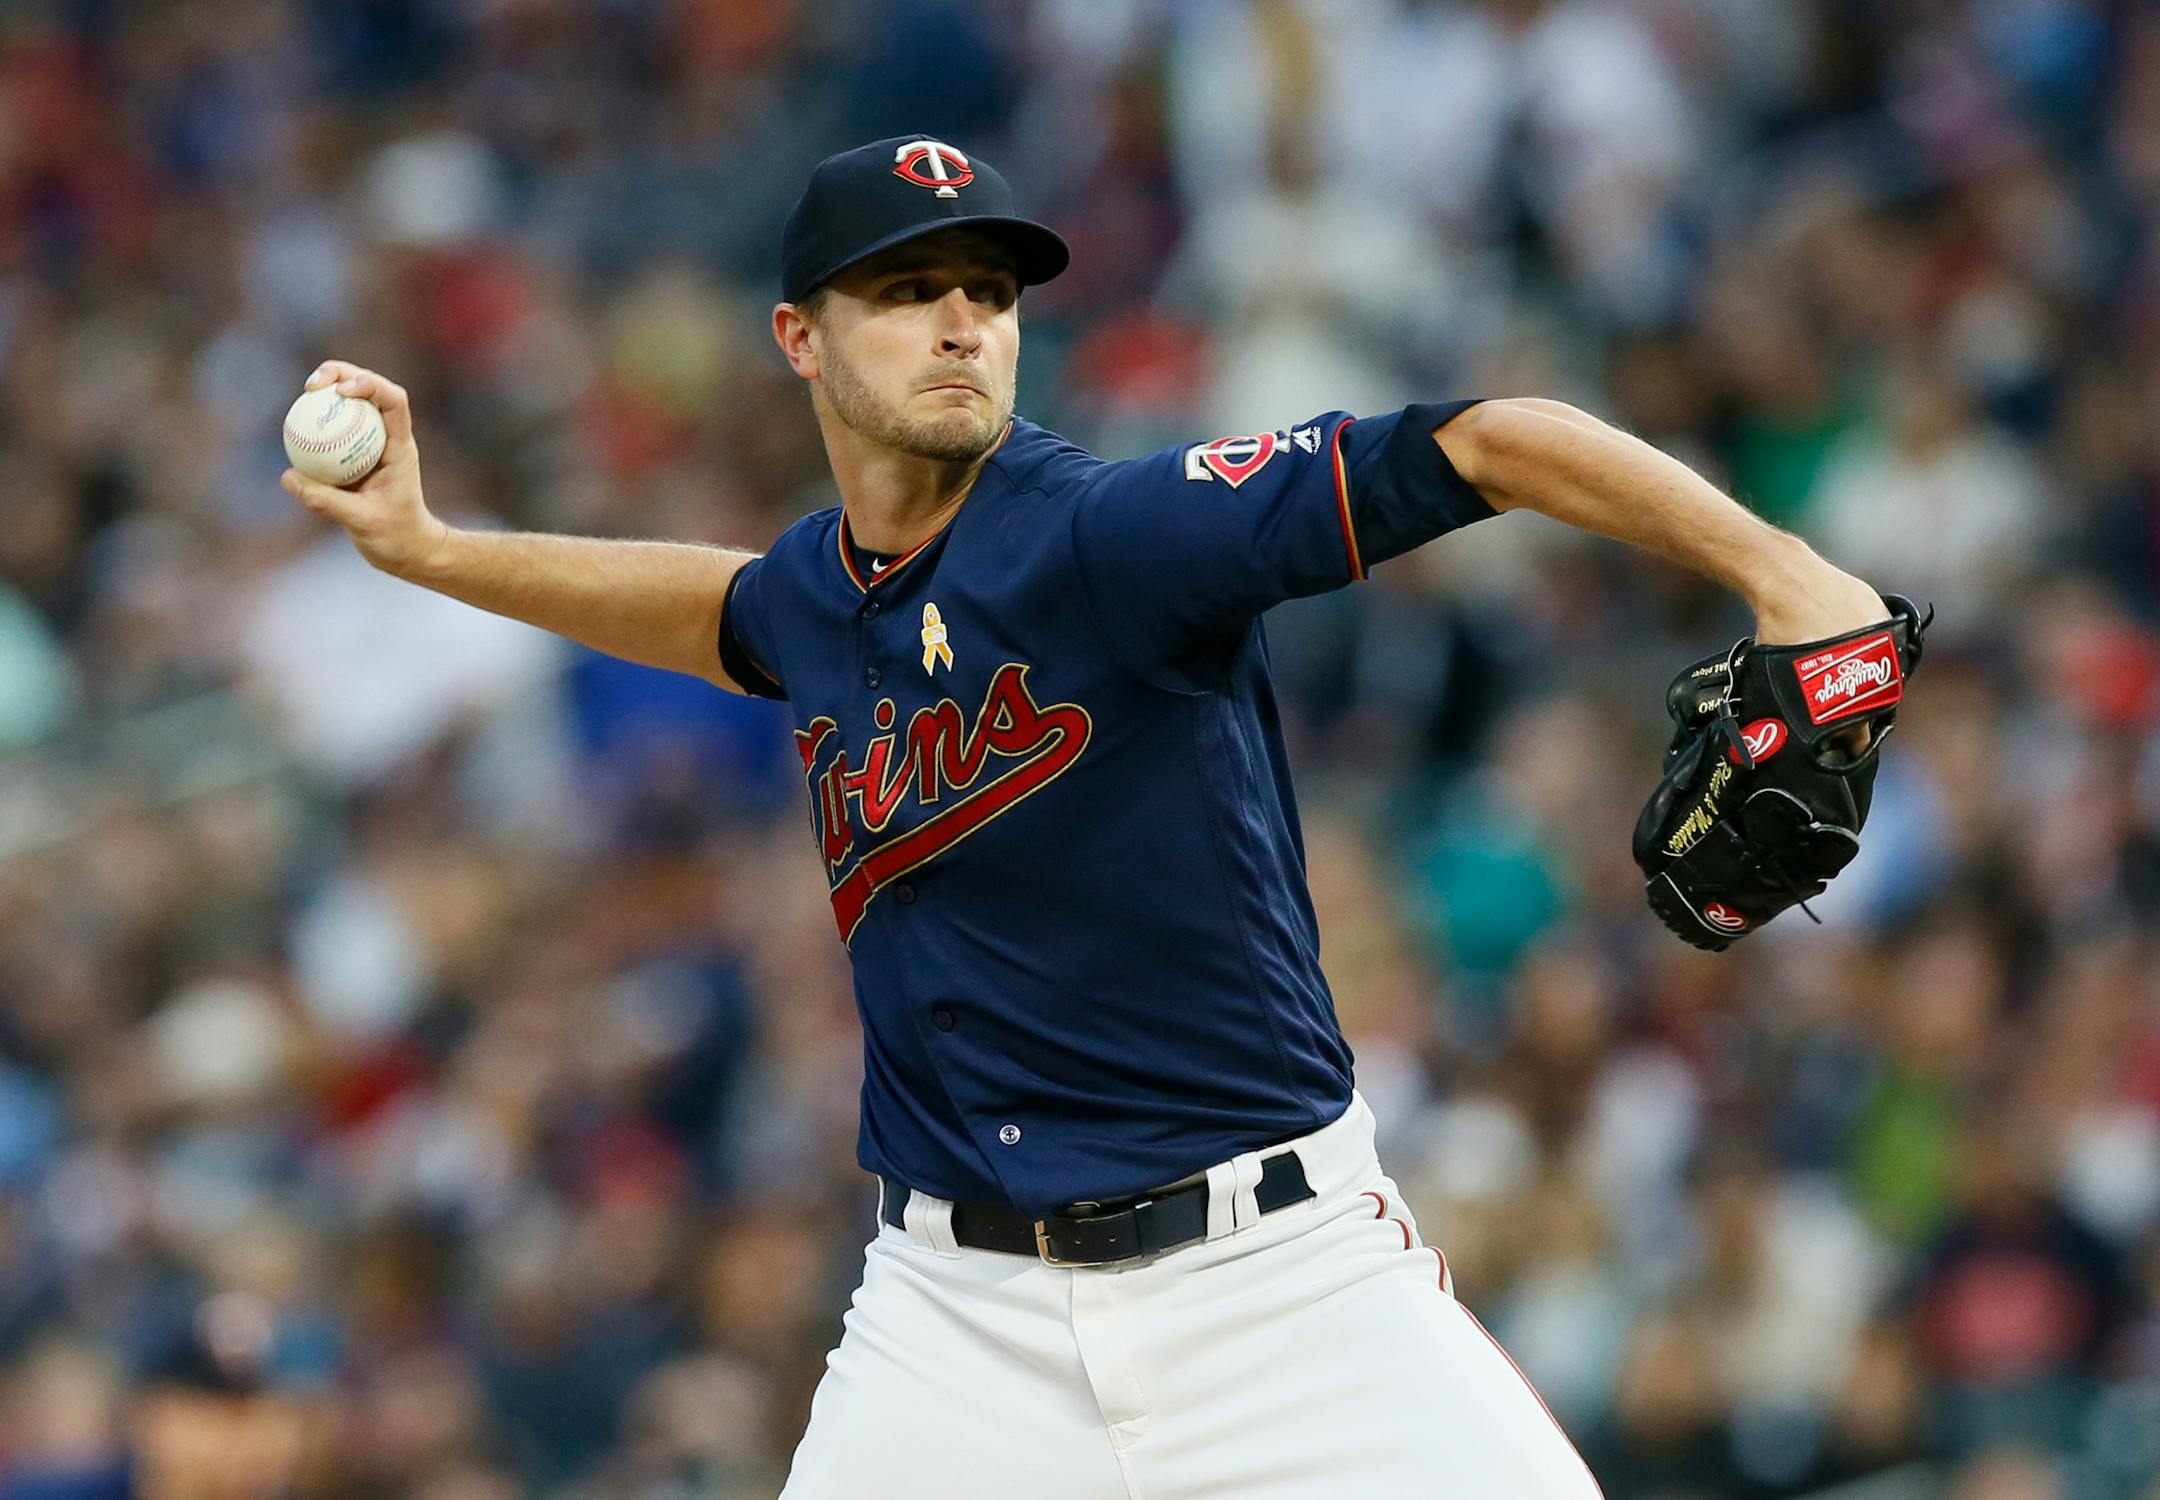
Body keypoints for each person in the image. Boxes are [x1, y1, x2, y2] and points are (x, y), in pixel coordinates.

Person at [282, 136, 1890, 1497]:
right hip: (952, 1307)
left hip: (1278, 1276)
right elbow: (719, 610)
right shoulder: (816, 598)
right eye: (910, 292)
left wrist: (1792, 578)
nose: (964, 323)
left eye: (988, 292)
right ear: (800, 339)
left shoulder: (1118, 535)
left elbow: (1487, 441)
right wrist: (433, 550)